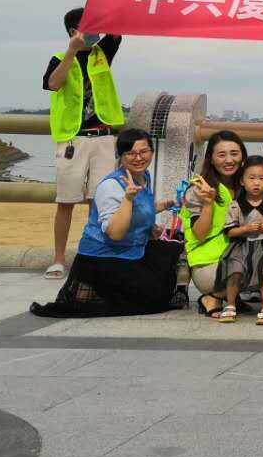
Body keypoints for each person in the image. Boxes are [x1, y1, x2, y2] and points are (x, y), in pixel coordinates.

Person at [30, 129, 182, 318]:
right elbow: (115, 233)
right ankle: (96, 290)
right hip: (103, 259)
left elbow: (142, 209)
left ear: (152, 152)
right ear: (120, 156)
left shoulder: (144, 177)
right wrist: (127, 199)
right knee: (152, 300)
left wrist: (166, 206)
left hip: (130, 250)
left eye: (144, 151)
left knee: (175, 249)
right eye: (130, 153)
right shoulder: (111, 185)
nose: (138, 158)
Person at [42, 7, 125, 280]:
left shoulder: (102, 53)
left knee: (100, 201)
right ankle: (58, 259)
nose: (95, 31)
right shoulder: (58, 58)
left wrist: (105, 5)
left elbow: (117, 27)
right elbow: (54, 84)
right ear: (73, 31)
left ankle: (93, 256)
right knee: (65, 201)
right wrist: (71, 51)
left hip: (104, 137)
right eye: (89, 25)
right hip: (72, 139)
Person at [178, 130, 247, 317]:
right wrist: (208, 203)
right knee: (250, 267)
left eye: (234, 153)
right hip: (209, 263)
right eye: (221, 155)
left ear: (243, 156)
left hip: (236, 255)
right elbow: (199, 234)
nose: (229, 160)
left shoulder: (247, 185)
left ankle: (231, 297)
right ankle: (212, 297)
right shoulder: (199, 188)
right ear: (211, 158)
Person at [216, 156, 263, 325]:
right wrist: (245, 229)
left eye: (262, 178)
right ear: (242, 181)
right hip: (241, 246)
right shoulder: (235, 205)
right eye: (251, 178)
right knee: (234, 269)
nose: (256, 183)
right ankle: (230, 305)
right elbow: (229, 231)